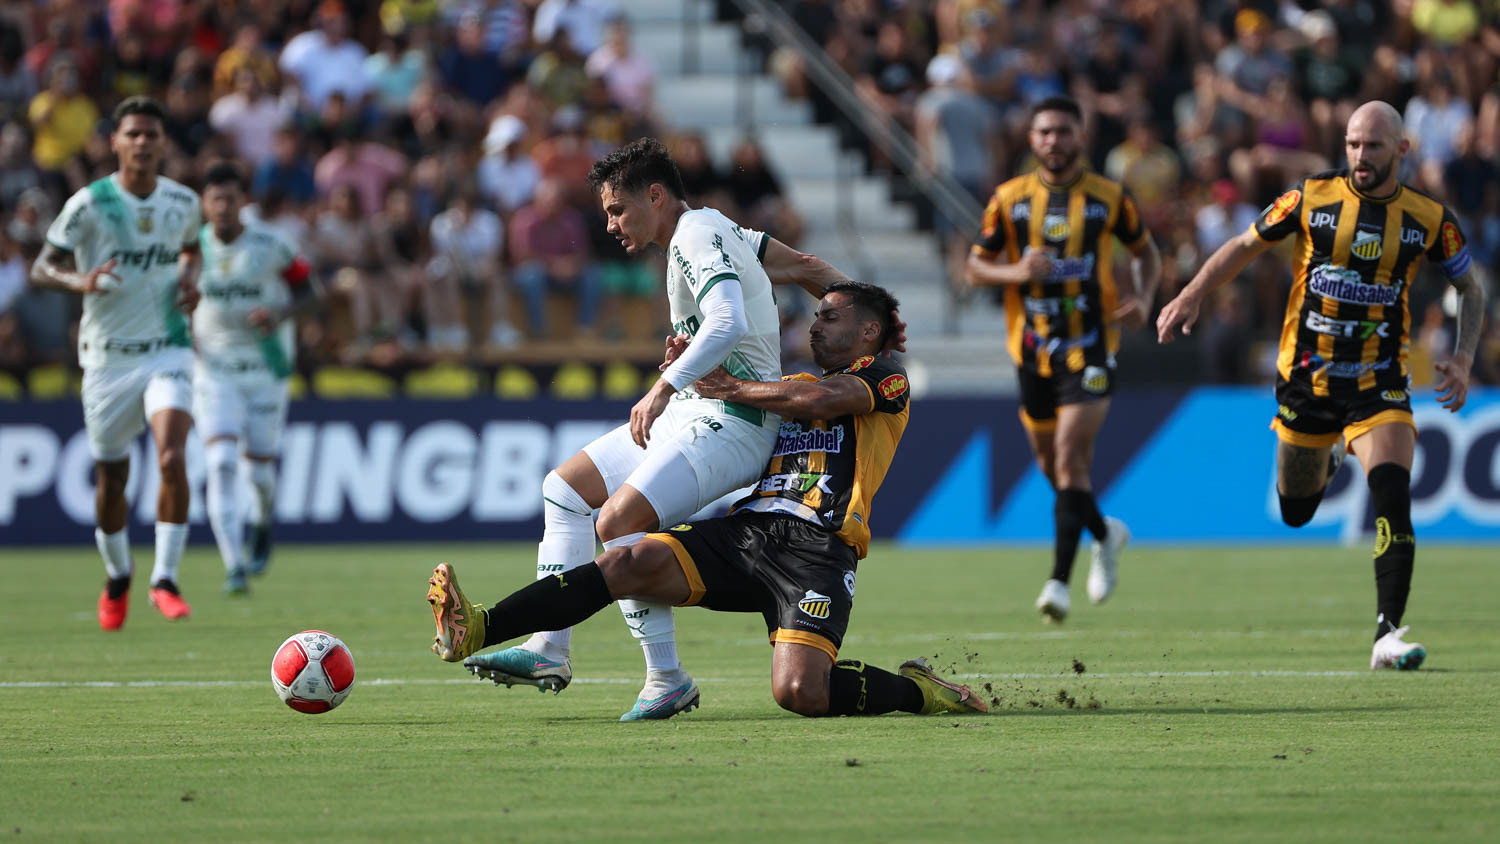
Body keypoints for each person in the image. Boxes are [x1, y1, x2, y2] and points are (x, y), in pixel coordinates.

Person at [427, 281, 986, 719]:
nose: (815, 324)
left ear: (869, 331)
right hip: (747, 534)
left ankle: (919, 692)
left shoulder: (887, 380)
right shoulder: (784, 384)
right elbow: (729, 408)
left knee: (799, 692)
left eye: (829, 316)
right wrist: (690, 368)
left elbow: (820, 398)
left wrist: (734, 387)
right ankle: (479, 626)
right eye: (814, 316)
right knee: (624, 557)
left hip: (817, 550)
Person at [461, 137, 854, 720]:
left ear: (654, 194)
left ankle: (666, 675)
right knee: (564, 490)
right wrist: (874, 316)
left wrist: (662, 387)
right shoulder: (714, 231)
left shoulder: (696, 234)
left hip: (734, 422)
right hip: (699, 412)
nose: (612, 224)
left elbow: (728, 320)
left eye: (618, 210)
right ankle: (550, 648)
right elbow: (805, 268)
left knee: (617, 521)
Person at [1157, 101, 1487, 671]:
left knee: (1392, 495)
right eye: (1354, 144)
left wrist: (1462, 356)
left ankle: (1388, 633)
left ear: (1402, 151)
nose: (1360, 155)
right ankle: (1330, 457)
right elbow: (1243, 246)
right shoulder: (1311, 198)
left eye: (1374, 146)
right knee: (1296, 510)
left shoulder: (1429, 219)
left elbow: (1473, 289)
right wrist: (1193, 293)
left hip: (1379, 380)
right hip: (1306, 380)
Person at [965, 96, 1162, 624]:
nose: (1054, 141)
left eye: (1063, 131)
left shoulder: (1108, 197)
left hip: (1093, 347)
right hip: (1031, 352)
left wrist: (1143, 298)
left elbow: (1146, 252)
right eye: (1045, 132)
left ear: (1081, 136)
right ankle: (1105, 532)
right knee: (1055, 471)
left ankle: (1057, 582)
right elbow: (975, 268)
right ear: (1032, 140)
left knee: (1073, 459)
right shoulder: (1010, 200)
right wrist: (1018, 273)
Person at [29, 96, 202, 629]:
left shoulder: (183, 202)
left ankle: (165, 579)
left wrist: (191, 277)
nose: (143, 143)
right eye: (134, 134)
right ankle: (119, 575)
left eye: (152, 134)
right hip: (107, 360)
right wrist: (77, 281)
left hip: (167, 348)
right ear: (116, 142)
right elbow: (42, 266)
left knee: (172, 457)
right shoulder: (90, 203)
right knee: (111, 481)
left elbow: (192, 247)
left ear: (163, 143)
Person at [193, 162, 319, 594]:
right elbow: (171, 300)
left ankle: (262, 522)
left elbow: (311, 293)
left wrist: (280, 313)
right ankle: (233, 564)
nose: (223, 207)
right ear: (205, 205)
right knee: (221, 462)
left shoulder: (271, 245)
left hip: (267, 367)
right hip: (213, 369)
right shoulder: (191, 249)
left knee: (259, 476)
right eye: (215, 199)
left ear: (242, 202)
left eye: (231, 198)